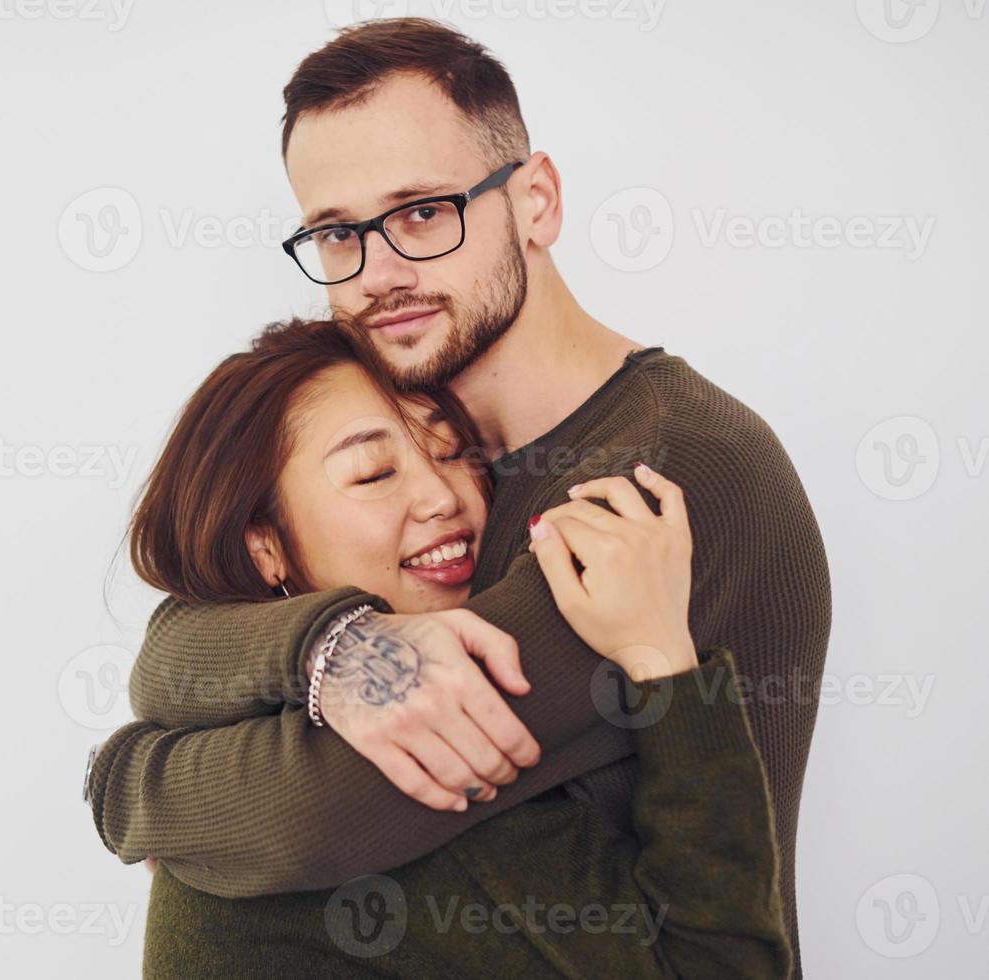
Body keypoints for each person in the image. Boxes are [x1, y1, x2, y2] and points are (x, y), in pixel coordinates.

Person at [89, 17, 831, 977]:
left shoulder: (665, 470)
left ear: (535, 201)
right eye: (335, 232)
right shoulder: (442, 454)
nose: (380, 273)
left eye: (423, 212)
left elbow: (321, 812)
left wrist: (122, 783)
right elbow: (187, 628)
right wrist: (332, 645)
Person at [89, 317, 788, 977]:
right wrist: (665, 664)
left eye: (455, 455)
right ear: (264, 546)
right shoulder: (428, 762)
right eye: (371, 474)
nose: (440, 497)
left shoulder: (220, 750)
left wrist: (119, 779)